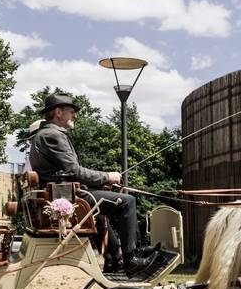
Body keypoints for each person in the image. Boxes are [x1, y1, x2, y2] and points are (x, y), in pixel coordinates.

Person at [28, 93, 158, 277]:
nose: (75, 115)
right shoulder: (52, 135)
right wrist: (107, 177)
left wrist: (99, 184)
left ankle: (115, 260)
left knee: (99, 214)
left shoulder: (45, 135)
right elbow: (74, 171)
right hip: (67, 197)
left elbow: (66, 172)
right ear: (58, 112)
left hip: (65, 193)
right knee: (127, 202)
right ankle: (131, 260)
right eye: (72, 111)